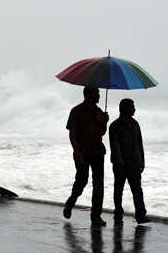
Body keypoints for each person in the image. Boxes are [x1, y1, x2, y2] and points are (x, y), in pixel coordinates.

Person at [63, 86, 109, 226]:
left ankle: (96, 216)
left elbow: (101, 133)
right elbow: (72, 133)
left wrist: (104, 122)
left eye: (99, 93)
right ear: (88, 95)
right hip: (82, 152)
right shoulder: (76, 111)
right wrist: (76, 151)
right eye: (97, 93)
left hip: (98, 152)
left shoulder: (98, 111)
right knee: (82, 180)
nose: (99, 96)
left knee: (99, 185)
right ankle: (71, 202)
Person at [109, 98, 149, 223]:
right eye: (132, 107)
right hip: (120, 165)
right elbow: (114, 146)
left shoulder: (135, 123)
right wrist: (120, 162)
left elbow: (139, 144)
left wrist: (142, 161)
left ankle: (141, 215)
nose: (134, 109)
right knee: (118, 190)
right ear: (124, 108)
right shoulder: (115, 125)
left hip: (135, 164)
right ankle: (118, 213)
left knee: (137, 190)